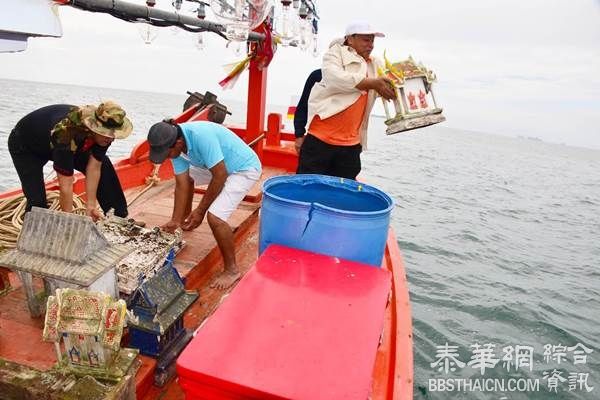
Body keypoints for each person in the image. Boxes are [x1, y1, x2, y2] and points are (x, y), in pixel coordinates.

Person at [147, 120, 262, 289]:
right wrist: (175, 220)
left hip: (243, 169)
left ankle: (232, 270)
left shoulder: (201, 136)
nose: (166, 157)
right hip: (220, 167)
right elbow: (182, 183)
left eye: (167, 153)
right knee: (188, 178)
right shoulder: (175, 146)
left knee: (215, 217)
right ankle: (184, 220)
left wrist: (200, 211)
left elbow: (220, 175)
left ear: (178, 143)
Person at [296, 21, 397, 180]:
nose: (370, 45)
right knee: (308, 188)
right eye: (366, 40)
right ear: (350, 39)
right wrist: (371, 83)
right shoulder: (333, 55)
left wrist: (410, 83)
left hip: (351, 146)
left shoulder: (375, 64)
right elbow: (335, 78)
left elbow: (390, 85)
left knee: (341, 195)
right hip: (320, 141)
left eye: (372, 41)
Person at [8, 101, 133, 220]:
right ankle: (34, 230)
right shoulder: (66, 134)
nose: (111, 138)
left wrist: (90, 205)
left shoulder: (106, 134)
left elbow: (94, 167)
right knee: (37, 204)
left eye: (113, 134)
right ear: (95, 126)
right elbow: (66, 186)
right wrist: (69, 220)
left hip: (61, 144)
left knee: (104, 164)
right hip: (26, 147)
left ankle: (118, 218)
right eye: (106, 133)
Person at [294, 68, 322, 154]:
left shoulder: (360, 79)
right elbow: (303, 105)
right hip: (316, 137)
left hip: (348, 144)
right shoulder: (318, 76)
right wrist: (299, 134)